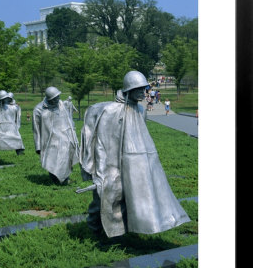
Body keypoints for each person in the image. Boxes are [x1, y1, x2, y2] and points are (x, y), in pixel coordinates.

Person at [79, 70, 190, 237]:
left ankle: (124, 231)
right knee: (106, 197)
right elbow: (101, 143)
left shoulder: (140, 110)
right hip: (112, 163)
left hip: (137, 163)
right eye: (138, 89)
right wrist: (100, 171)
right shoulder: (110, 111)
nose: (143, 92)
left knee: (129, 198)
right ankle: (95, 231)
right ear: (128, 90)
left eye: (143, 88)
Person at [32, 86, 79, 185]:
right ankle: (55, 178)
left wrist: (72, 133)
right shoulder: (38, 109)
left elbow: (69, 119)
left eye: (58, 96)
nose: (58, 99)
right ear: (50, 99)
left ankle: (65, 177)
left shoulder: (61, 105)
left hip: (64, 137)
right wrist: (38, 146)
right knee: (52, 160)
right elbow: (36, 129)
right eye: (55, 98)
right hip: (49, 140)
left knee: (66, 157)